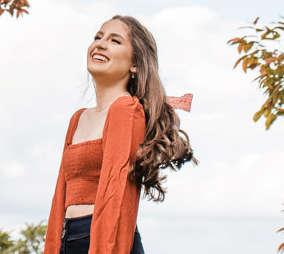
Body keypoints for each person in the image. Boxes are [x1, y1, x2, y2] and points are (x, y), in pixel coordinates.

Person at [43, 15, 196, 254]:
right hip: (69, 238)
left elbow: (117, 195)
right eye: (98, 37)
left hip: (104, 241)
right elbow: (59, 196)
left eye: (115, 41)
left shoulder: (126, 110)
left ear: (134, 64)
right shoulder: (78, 118)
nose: (101, 44)